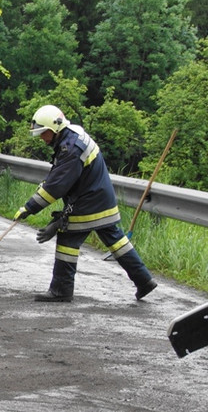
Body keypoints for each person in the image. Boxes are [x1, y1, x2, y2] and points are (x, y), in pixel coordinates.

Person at [14, 105, 157, 302]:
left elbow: (56, 186)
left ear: (54, 128)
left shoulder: (70, 148)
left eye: (43, 133)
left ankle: (61, 291)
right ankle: (144, 280)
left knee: (67, 240)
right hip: (100, 197)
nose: (42, 138)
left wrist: (29, 208)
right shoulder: (72, 136)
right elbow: (61, 177)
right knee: (116, 240)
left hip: (89, 201)